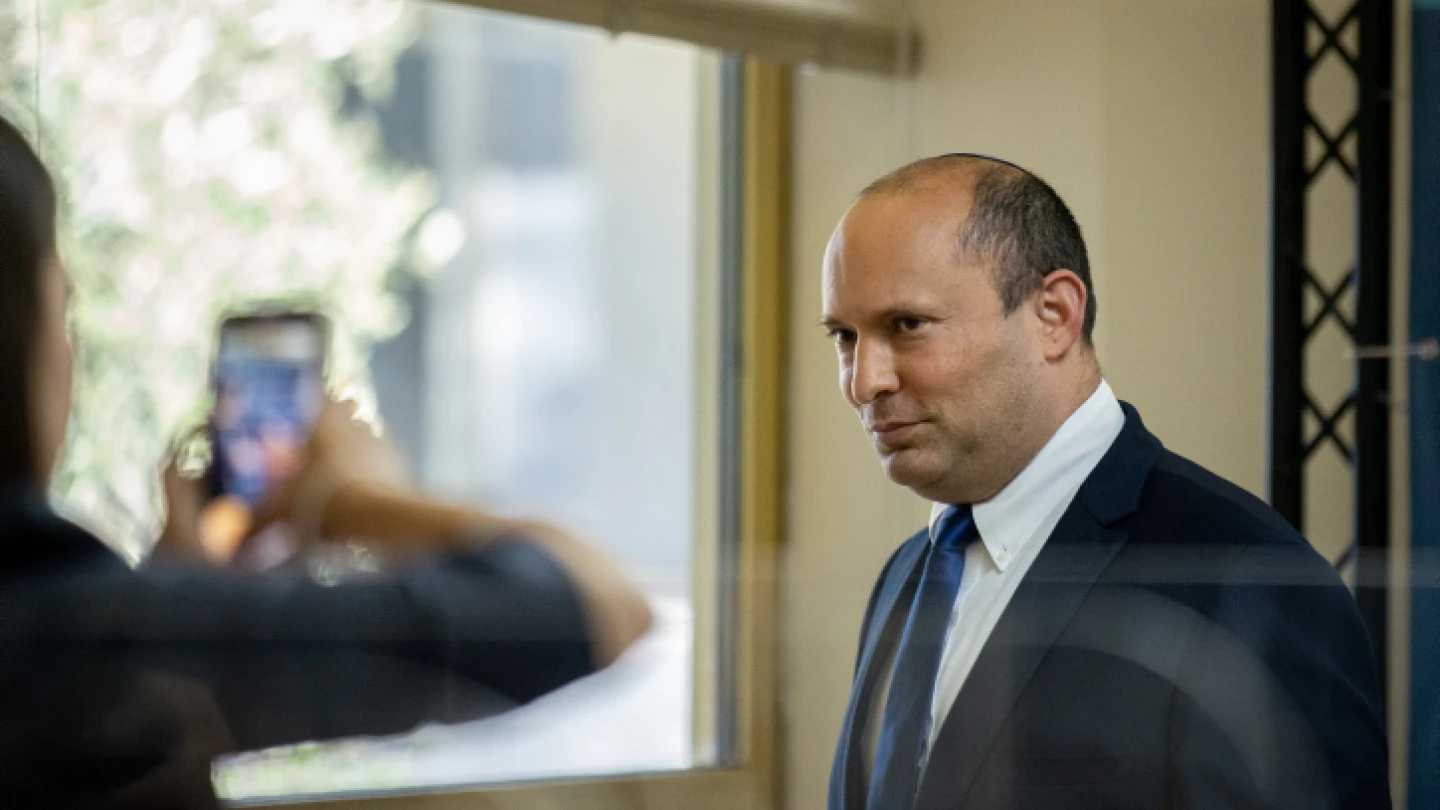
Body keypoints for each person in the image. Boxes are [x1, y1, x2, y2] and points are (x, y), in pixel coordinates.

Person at [0, 113, 652, 808]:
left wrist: (172, 592)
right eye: (63, 310)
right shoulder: (77, 637)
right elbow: (600, 605)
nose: (69, 354)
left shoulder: (102, 642)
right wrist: (351, 500)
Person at [822, 154, 1390, 810]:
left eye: (907, 326)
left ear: (1055, 315)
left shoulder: (1248, 580)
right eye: (844, 337)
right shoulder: (907, 573)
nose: (864, 382)